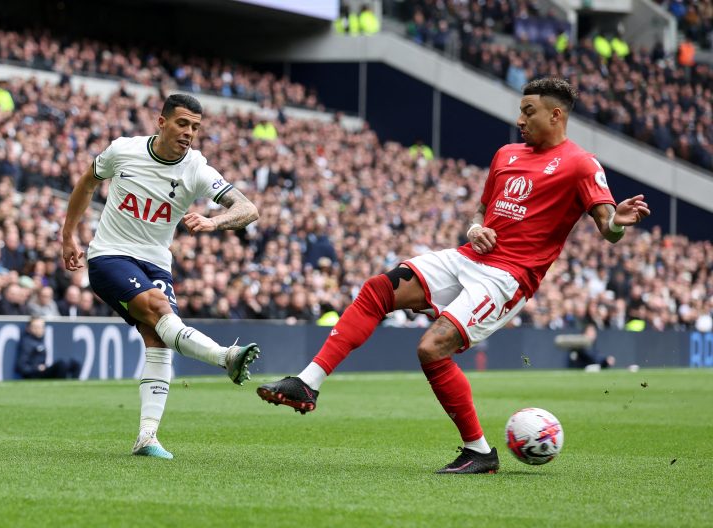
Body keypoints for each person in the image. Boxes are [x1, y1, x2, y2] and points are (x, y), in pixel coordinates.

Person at [257, 78, 650, 474]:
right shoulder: (507, 154)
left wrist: (619, 221)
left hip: (506, 278)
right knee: (379, 289)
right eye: (520, 111)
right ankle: (307, 383)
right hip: (468, 257)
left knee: (431, 349)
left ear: (556, 115)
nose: (520, 120)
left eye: (528, 112)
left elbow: (608, 228)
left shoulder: (581, 164)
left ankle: (479, 451)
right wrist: (475, 228)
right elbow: (482, 209)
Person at [62, 94, 262, 460]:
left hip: (155, 263)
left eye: (195, 127)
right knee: (158, 308)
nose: (189, 132)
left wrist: (214, 221)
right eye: (182, 123)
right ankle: (225, 357)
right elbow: (87, 183)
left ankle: (147, 436)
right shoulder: (123, 150)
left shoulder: (196, 168)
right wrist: (68, 236)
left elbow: (248, 209)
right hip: (110, 254)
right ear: (161, 122)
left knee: (159, 337)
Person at [14, 317, 80, 379]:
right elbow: (21, 366)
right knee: (61, 364)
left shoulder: (40, 341)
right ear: (28, 328)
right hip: (35, 374)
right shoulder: (27, 343)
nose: (39, 329)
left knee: (74, 364)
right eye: (36, 327)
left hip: (43, 370)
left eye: (41, 327)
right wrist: (36, 368)